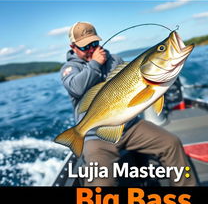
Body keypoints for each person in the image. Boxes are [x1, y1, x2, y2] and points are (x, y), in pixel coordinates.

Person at [60, 21, 197, 186]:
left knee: (171, 143)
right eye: (84, 46)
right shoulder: (69, 69)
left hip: (130, 127)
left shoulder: (115, 60)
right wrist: (95, 64)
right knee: (101, 183)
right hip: (96, 135)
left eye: (94, 43)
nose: (91, 49)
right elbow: (76, 88)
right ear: (73, 47)